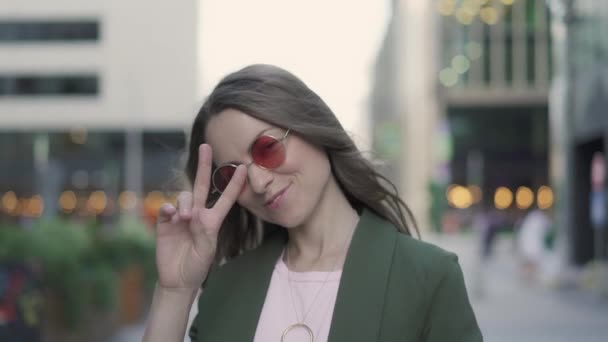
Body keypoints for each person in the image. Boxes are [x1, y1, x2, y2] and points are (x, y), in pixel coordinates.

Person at [142, 64, 482, 342]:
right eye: (234, 175)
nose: (258, 182)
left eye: (267, 148)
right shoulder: (227, 286)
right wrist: (175, 292)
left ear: (312, 126)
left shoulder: (427, 277)